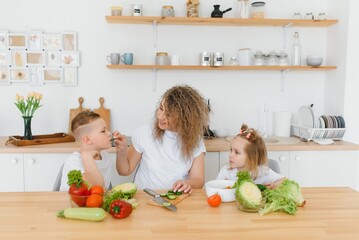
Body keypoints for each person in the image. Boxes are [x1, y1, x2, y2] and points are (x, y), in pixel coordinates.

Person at [115, 85, 209, 193]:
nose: (160, 116)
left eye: (168, 114)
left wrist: (188, 183)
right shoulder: (144, 133)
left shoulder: (195, 141)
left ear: (184, 119)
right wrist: (121, 152)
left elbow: (198, 180)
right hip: (144, 198)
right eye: (161, 108)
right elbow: (124, 171)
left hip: (176, 199)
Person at [60, 111, 125, 191]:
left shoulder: (105, 155)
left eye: (107, 129)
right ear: (87, 140)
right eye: (103, 131)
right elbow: (96, 188)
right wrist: (86, 155)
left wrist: (122, 150)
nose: (109, 133)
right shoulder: (75, 161)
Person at [216, 124, 285, 189]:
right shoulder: (225, 171)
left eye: (236, 152)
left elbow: (285, 180)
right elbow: (216, 188)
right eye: (231, 150)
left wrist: (276, 184)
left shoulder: (264, 172)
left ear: (252, 157)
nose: (230, 155)